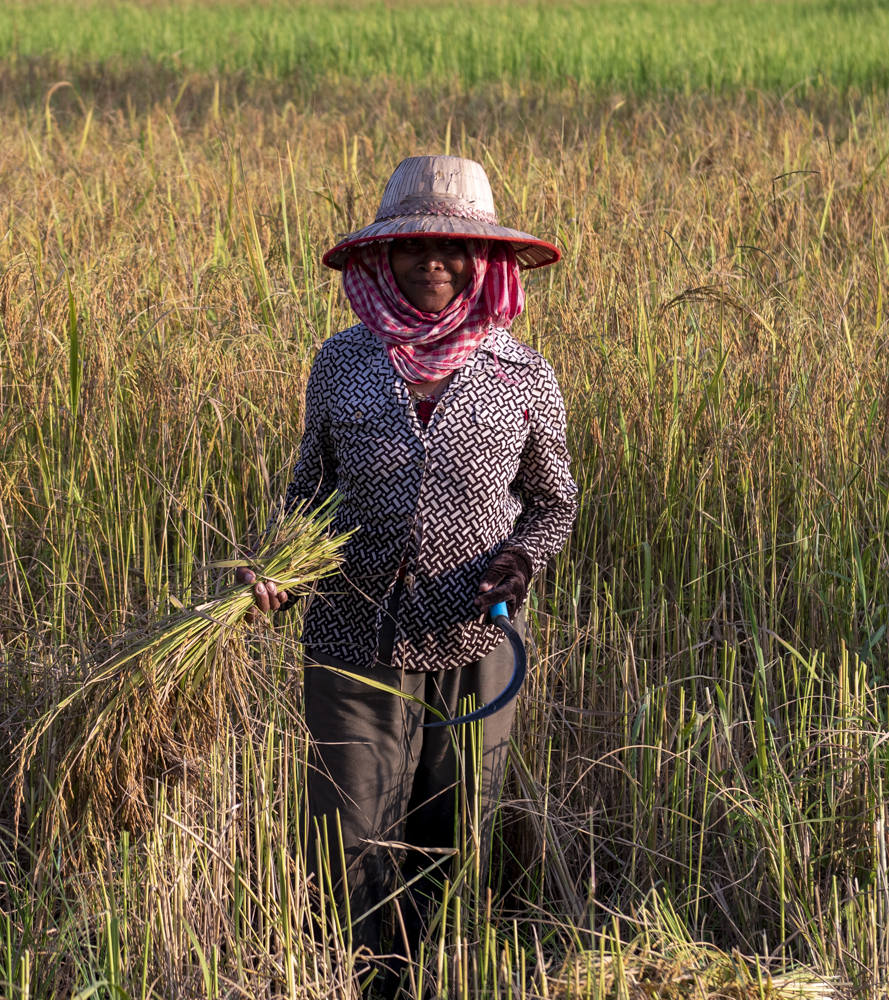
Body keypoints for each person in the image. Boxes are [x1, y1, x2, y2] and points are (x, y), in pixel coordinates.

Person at [239, 155, 577, 988]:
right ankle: (369, 979)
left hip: (475, 634)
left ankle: (428, 974)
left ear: (485, 262)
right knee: (350, 830)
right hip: (354, 631)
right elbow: (308, 489)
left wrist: (524, 558)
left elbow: (554, 502)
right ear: (379, 259)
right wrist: (278, 565)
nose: (434, 261)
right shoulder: (341, 363)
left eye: (455, 248)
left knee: (452, 825)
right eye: (415, 245)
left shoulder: (523, 373)